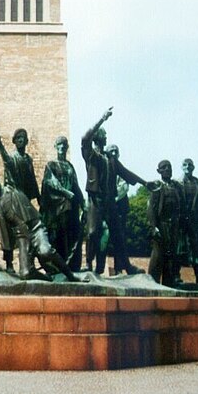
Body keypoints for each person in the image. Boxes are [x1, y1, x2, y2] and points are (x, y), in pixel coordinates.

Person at [0, 174, 82, 282]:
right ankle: (45, 277)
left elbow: (8, 161)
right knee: (25, 273)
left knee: (45, 251)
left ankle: (71, 276)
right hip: (22, 237)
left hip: (35, 228)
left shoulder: (13, 187)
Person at [81, 107, 149, 275]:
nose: (106, 137)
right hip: (96, 201)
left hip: (109, 201)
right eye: (104, 135)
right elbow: (84, 138)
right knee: (92, 233)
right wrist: (102, 119)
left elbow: (126, 173)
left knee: (118, 235)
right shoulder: (90, 155)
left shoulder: (110, 159)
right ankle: (89, 264)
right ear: (98, 137)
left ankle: (126, 265)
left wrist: (145, 183)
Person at [0, 128, 41, 272]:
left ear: (27, 141)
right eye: (18, 138)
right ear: (14, 141)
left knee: (29, 232)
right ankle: (9, 263)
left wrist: (38, 199)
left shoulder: (28, 159)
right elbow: (7, 161)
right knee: (8, 233)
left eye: (23, 137)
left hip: (23, 199)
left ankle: (30, 263)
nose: (21, 140)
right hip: (11, 199)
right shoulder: (13, 157)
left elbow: (32, 181)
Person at [41, 136, 85, 271]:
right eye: (59, 144)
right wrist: (65, 192)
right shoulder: (51, 165)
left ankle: (69, 265)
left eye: (64, 145)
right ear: (55, 146)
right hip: (56, 207)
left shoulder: (70, 166)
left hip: (70, 206)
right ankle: (56, 265)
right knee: (57, 234)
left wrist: (83, 203)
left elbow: (76, 186)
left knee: (71, 234)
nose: (62, 147)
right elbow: (50, 182)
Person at [147, 160, 185, 287]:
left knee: (172, 255)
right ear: (159, 171)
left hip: (174, 225)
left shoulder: (176, 186)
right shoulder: (157, 185)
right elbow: (151, 208)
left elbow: (182, 206)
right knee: (158, 255)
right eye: (164, 167)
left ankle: (169, 284)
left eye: (169, 167)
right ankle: (152, 282)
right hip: (161, 224)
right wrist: (153, 227)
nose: (168, 169)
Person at [105, 144, 130, 274]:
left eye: (116, 151)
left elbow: (123, 187)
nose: (114, 153)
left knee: (120, 239)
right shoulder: (105, 167)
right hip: (107, 209)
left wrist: (111, 200)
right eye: (111, 151)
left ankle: (119, 268)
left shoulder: (121, 169)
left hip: (119, 209)